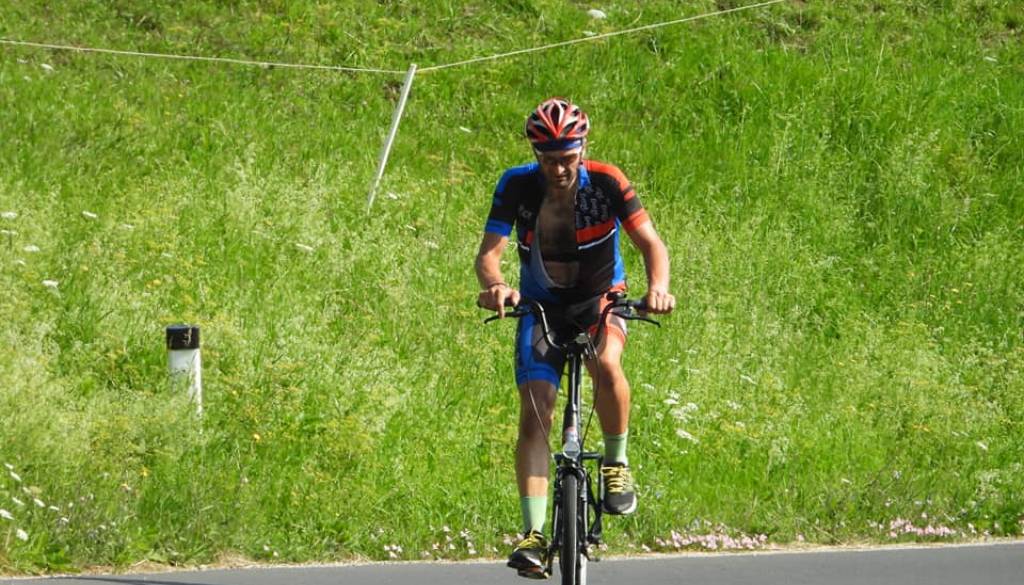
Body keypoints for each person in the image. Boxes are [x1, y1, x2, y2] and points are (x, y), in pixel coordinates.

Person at [475, 97, 675, 577]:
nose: (560, 169)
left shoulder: (607, 182)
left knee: (606, 363)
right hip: (542, 305)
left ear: (583, 148)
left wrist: (658, 288)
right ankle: (533, 533)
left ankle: (616, 463)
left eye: (568, 157)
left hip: (599, 300)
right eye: (549, 160)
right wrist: (496, 286)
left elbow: (651, 244)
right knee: (535, 412)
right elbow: (488, 255)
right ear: (536, 155)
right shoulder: (517, 184)